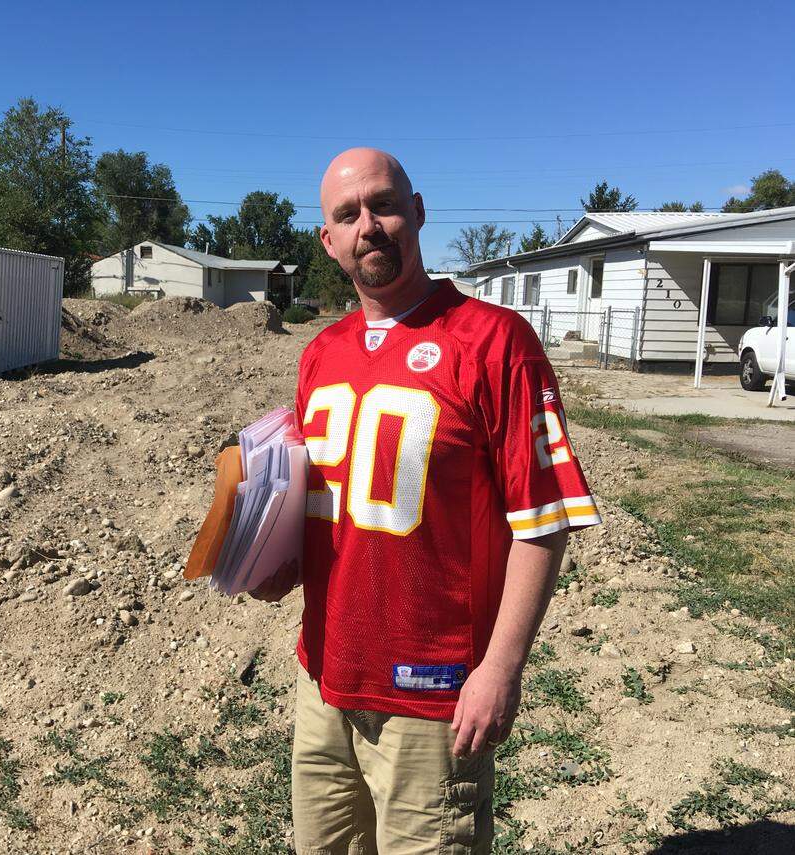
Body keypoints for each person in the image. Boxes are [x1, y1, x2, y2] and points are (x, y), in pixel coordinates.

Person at [252, 148, 601, 854]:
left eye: (382, 204)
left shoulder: (498, 343)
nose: (368, 226)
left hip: (433, 698)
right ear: (329, 241)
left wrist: (500, 667)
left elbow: (542, 522)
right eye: (347, 215)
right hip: (324, 680)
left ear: (417, 210)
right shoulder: (320, 353)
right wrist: (269, 561)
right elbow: (325, 505)